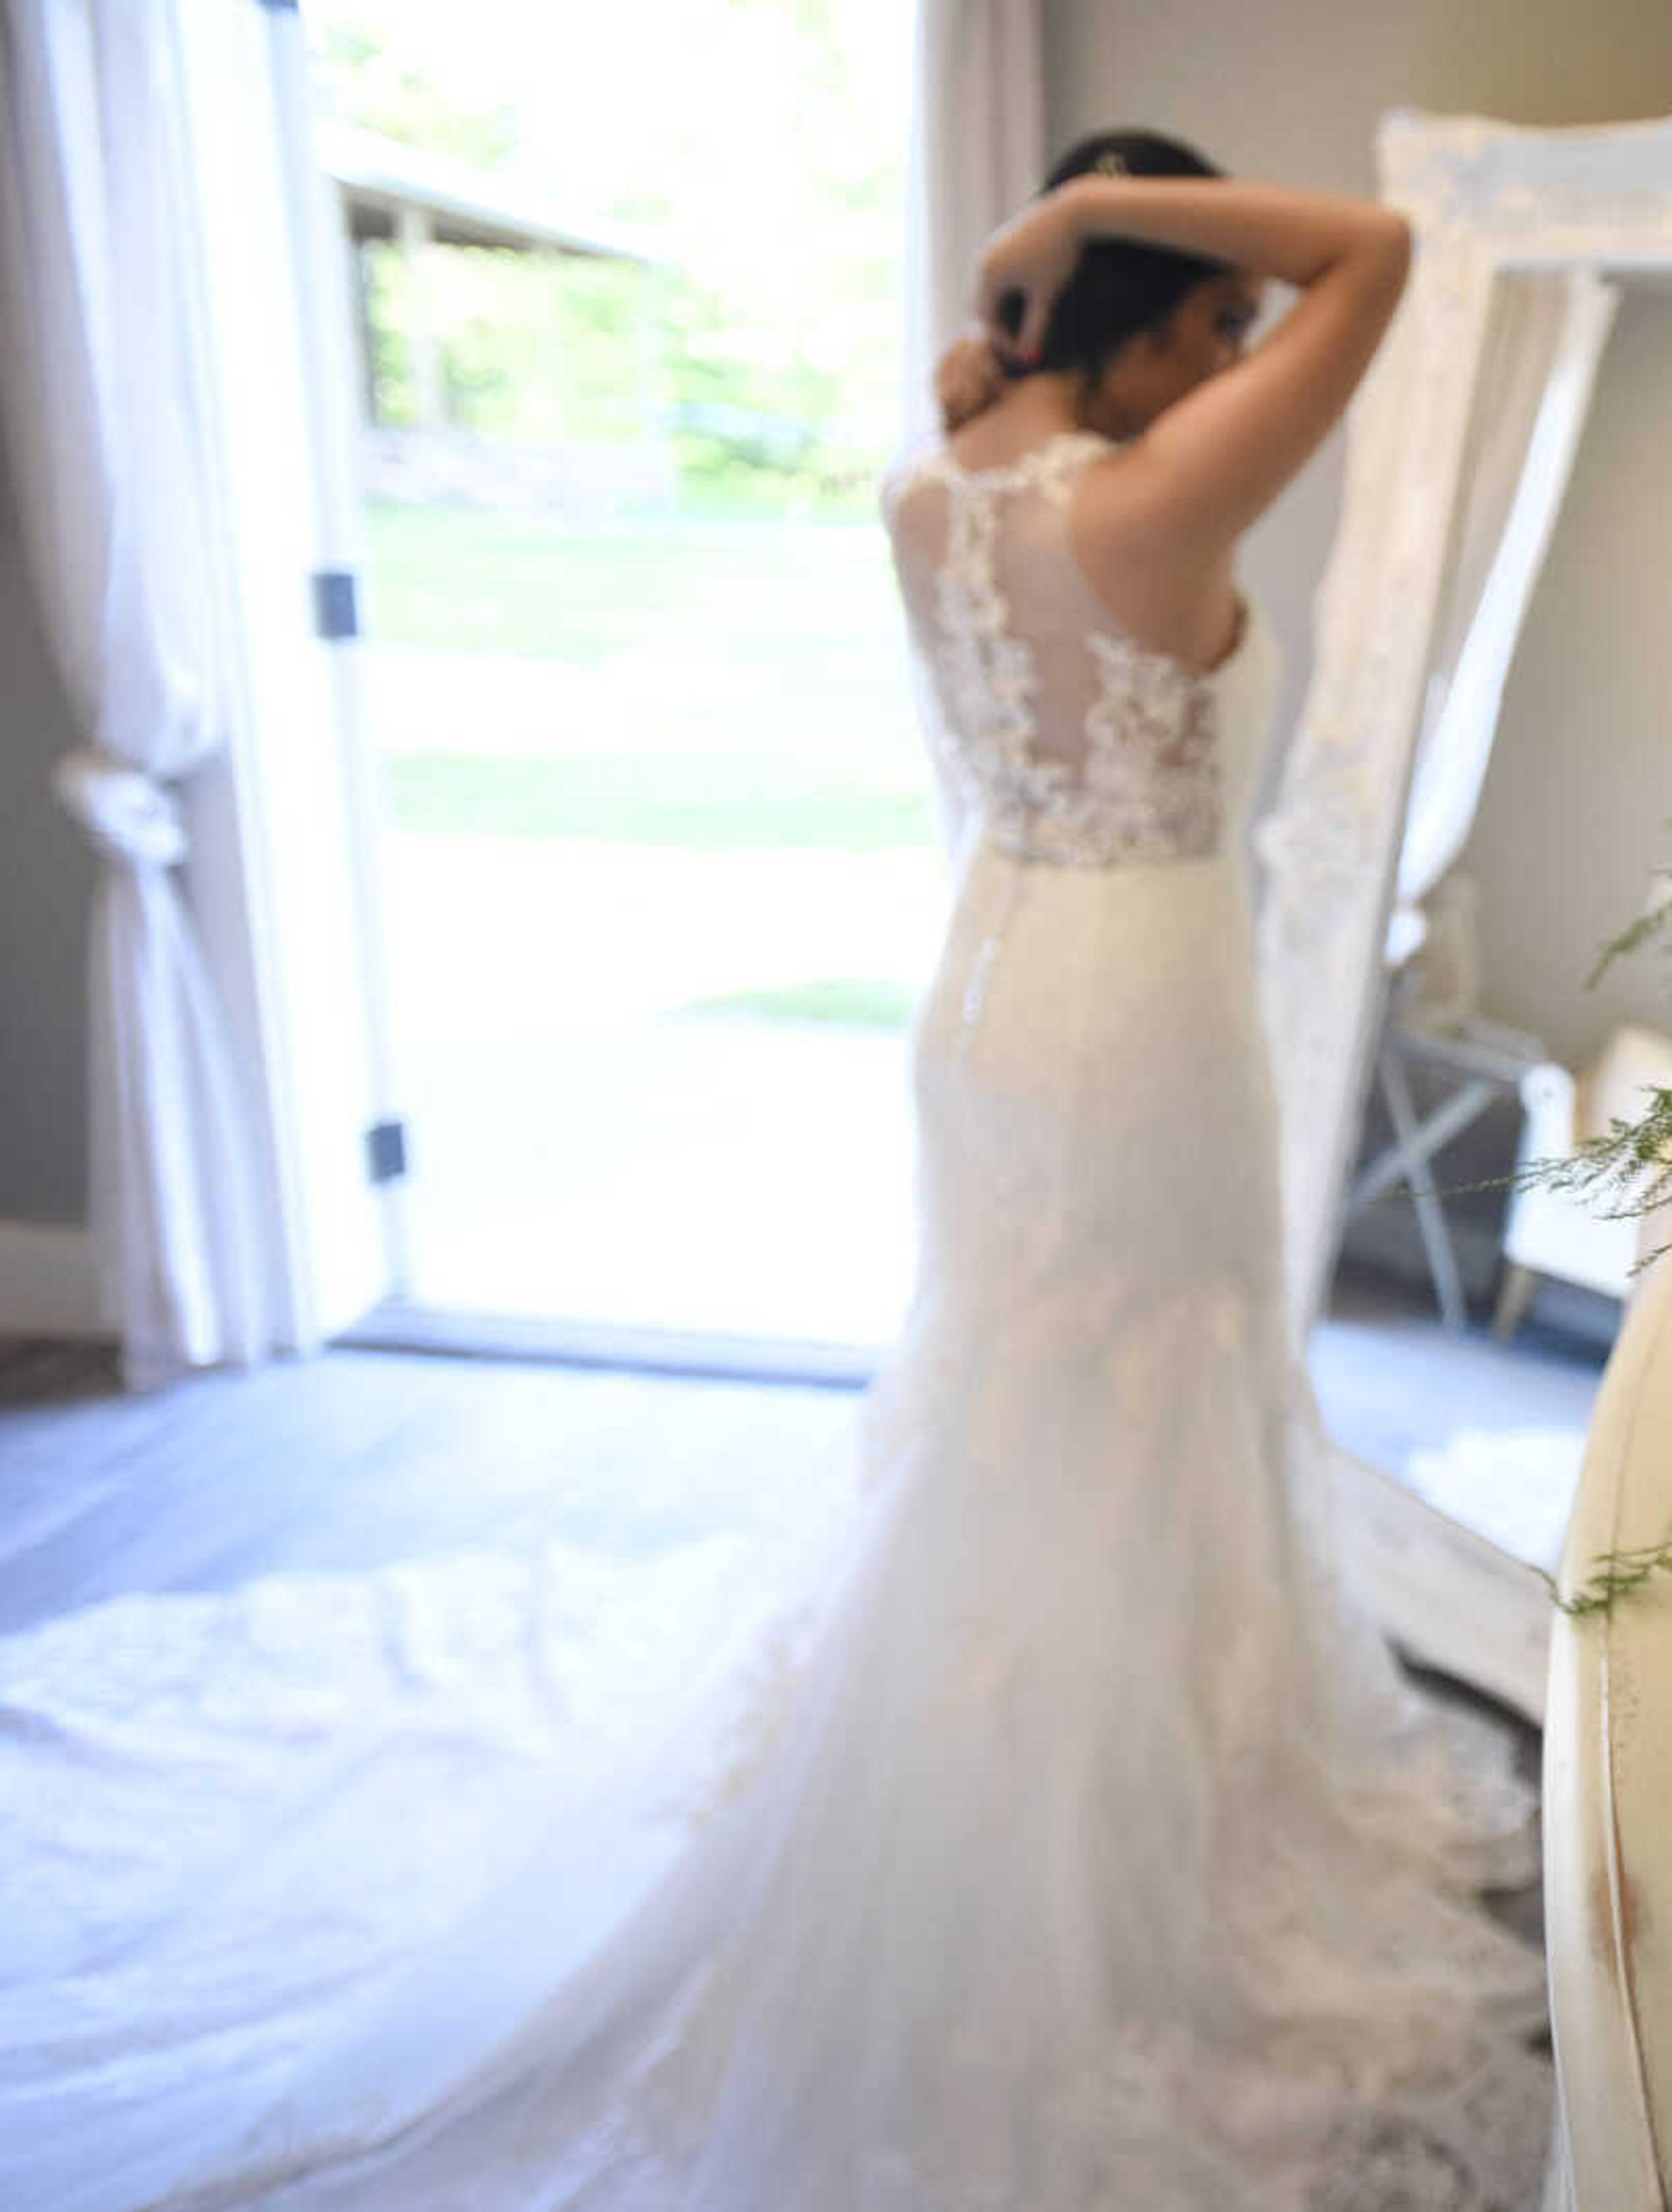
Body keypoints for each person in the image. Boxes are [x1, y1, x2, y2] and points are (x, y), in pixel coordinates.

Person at [0, 133, 1554, 2211]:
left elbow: (1185, 338)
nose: (1243, 350)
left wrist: (1068, 256)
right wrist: (1086, 225)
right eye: (1215, 320)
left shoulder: (946, 480)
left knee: (1024, 1401)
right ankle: (1111, 1857)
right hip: (1138, 1019)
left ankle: (1031, 1782)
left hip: (999, 981)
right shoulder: (1153, 504)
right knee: (1143, 1395)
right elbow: (1375, 250)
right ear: (1140, 317)